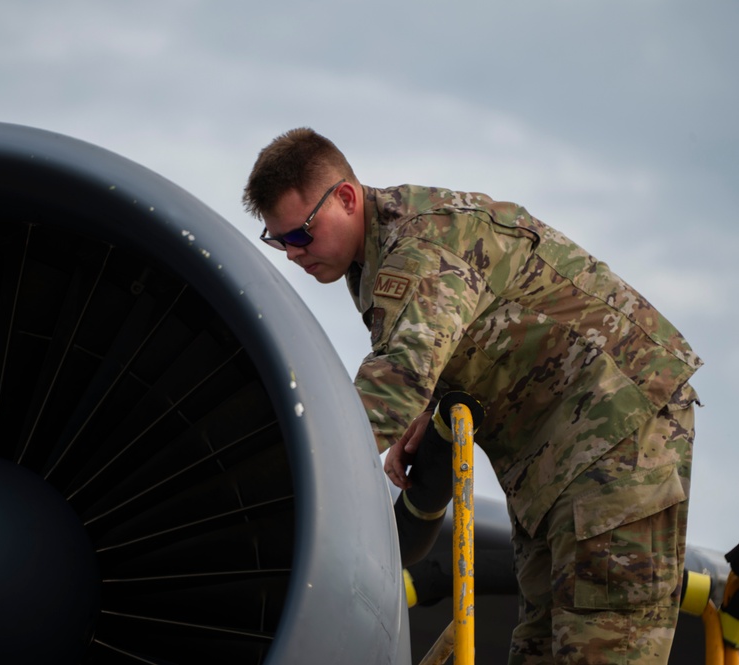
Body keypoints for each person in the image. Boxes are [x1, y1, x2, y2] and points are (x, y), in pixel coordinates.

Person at [242, 128, 702, 664]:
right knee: (541, 646)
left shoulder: (420, 245)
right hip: (555, 461)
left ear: (345, 198)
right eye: (280, 243)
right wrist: (434, 407)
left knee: (604, 643)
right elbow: (450, 346)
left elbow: (399, 375)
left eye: (301, 234)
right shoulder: (372, 259)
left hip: (619, 435)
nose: (294, 255)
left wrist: (280, 482)